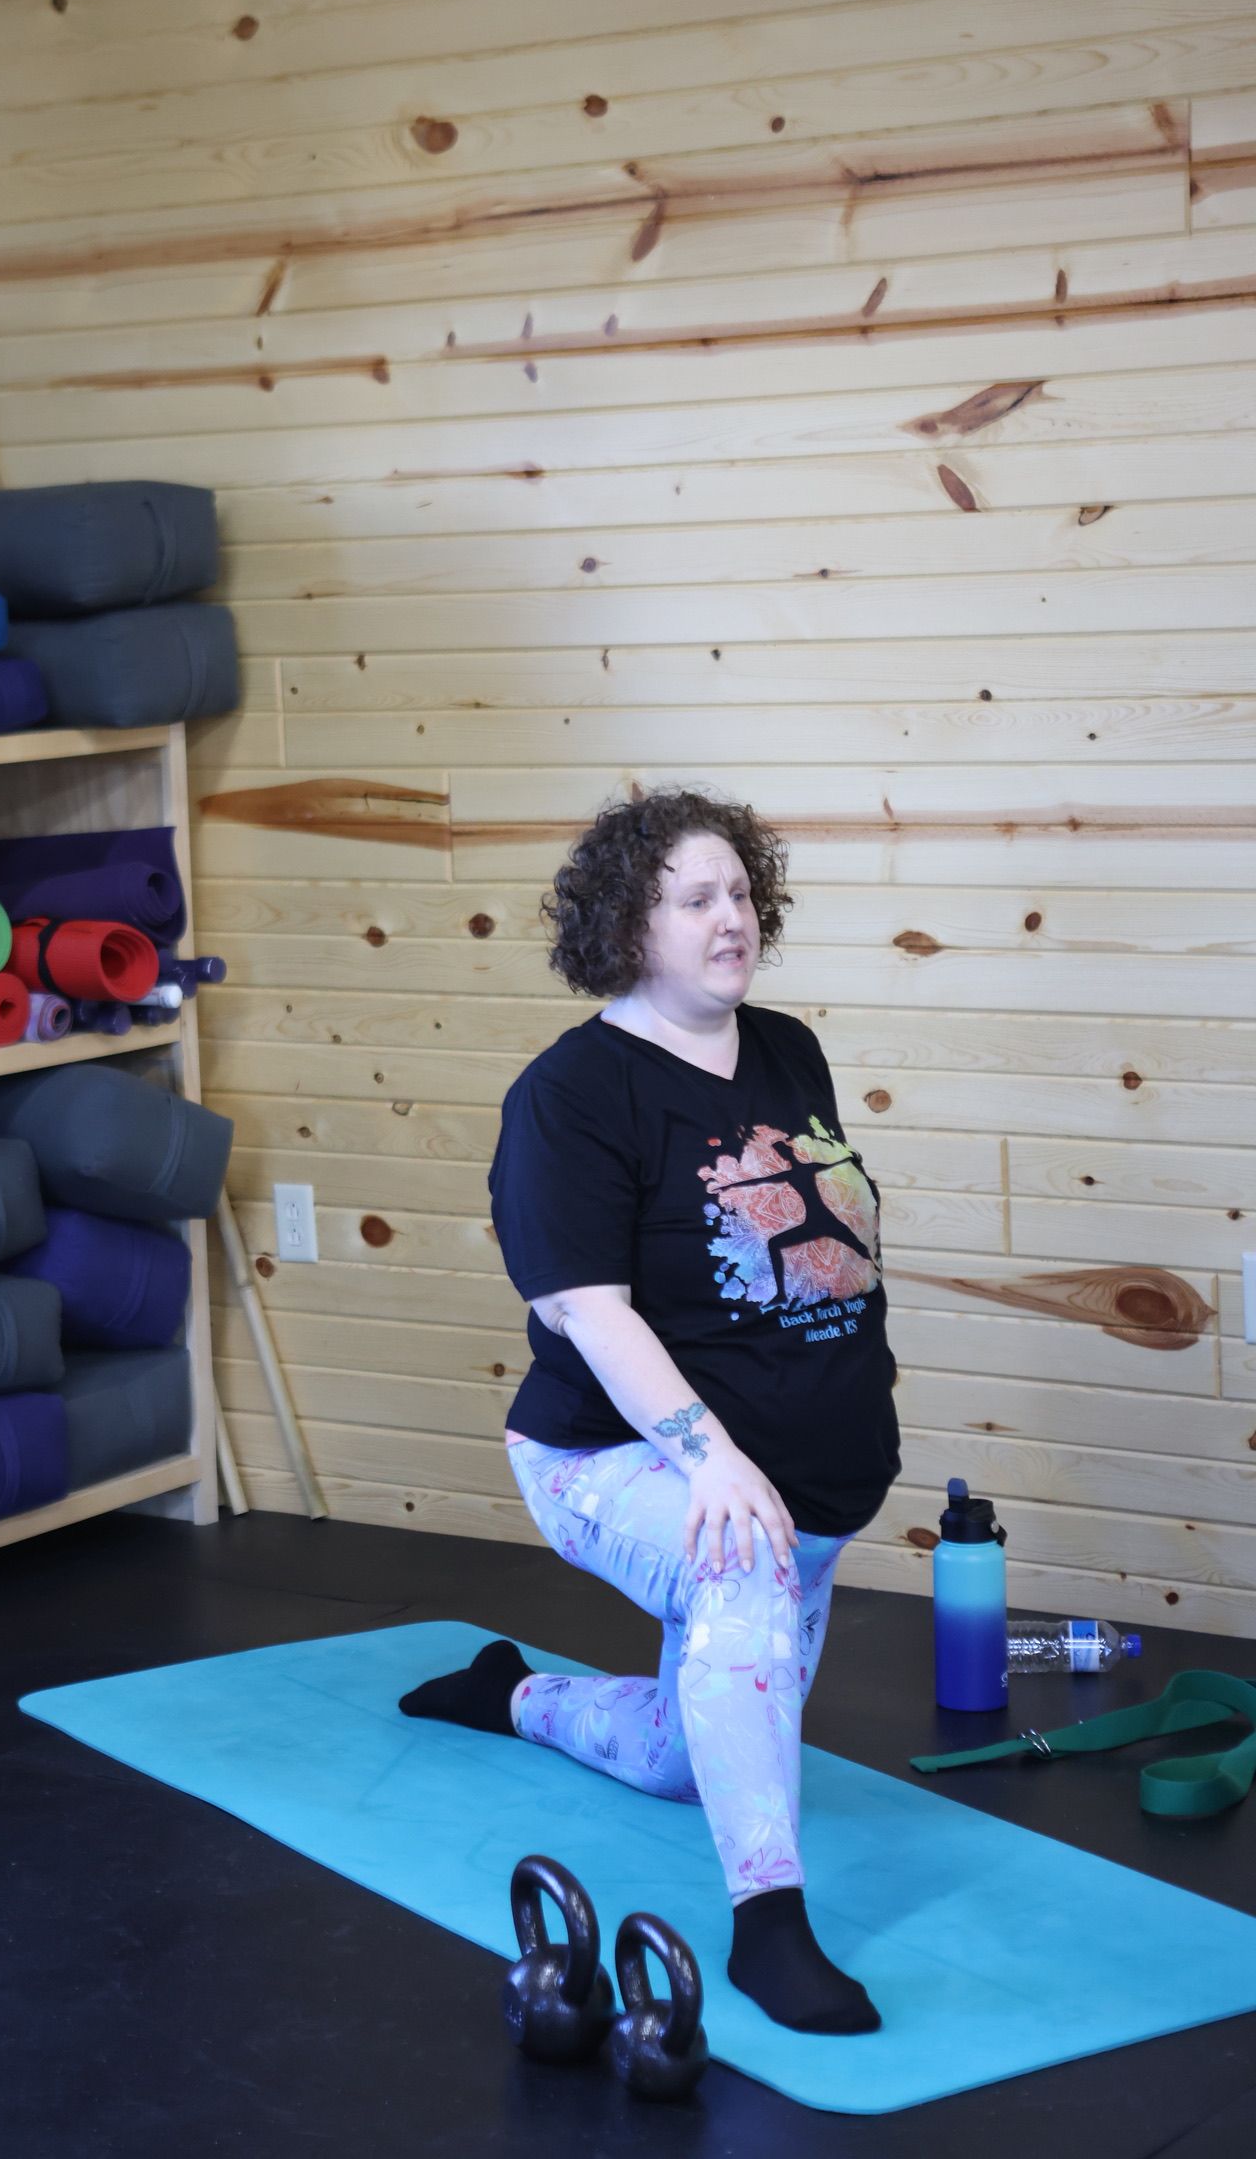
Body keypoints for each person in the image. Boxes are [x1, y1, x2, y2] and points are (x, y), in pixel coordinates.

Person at [399, 788, 901, 2035]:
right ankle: (769, 1930)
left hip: (802, 1479)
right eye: (695, 898)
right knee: (742, 1570)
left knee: (688, 1761)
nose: (731, 916)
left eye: (740, 891)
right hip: (607, 1455)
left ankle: (511, 1693)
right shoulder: (570, 1096)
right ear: (628, 926)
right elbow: (593, 1312)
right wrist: (716, 1458)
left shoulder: (787, 1047)